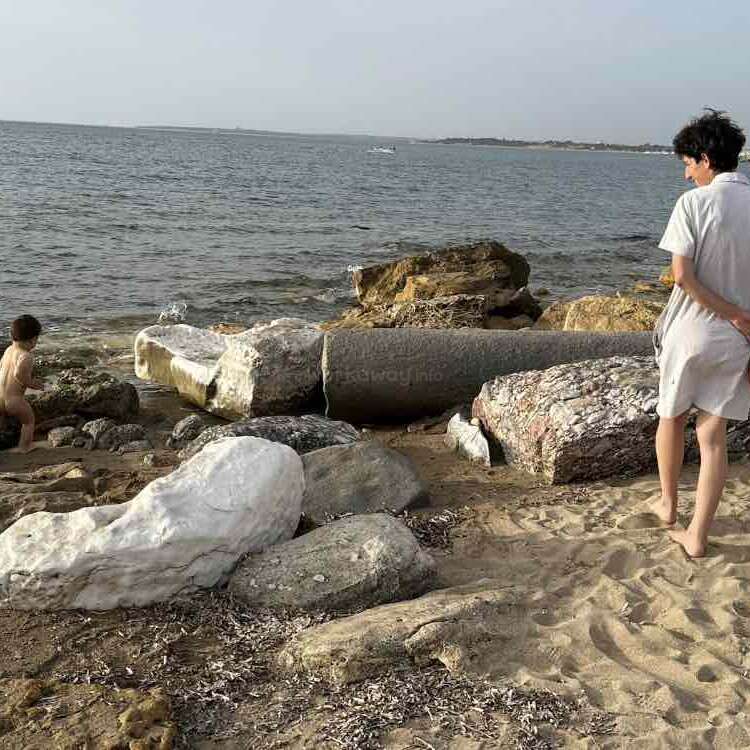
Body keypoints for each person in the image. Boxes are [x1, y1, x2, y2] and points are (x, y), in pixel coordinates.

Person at [650, 110, 750, 557]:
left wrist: (731, 313)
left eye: (689, 164)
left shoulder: (692, 204)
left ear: (706, 158)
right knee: (713, 439)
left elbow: (683, 277)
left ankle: (669, 505)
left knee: (670, 418)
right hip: (739, 340)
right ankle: (697, 536)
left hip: (693, 331)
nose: (688, 174)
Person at [0, 315, 44, 453]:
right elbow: (19, 375)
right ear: (33, 340)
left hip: (0, 396)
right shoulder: (26, 356)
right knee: (28, 421)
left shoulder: (8, 350)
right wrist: (32, 384)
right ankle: (25, 446)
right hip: (15, 400)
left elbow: (1, 366)